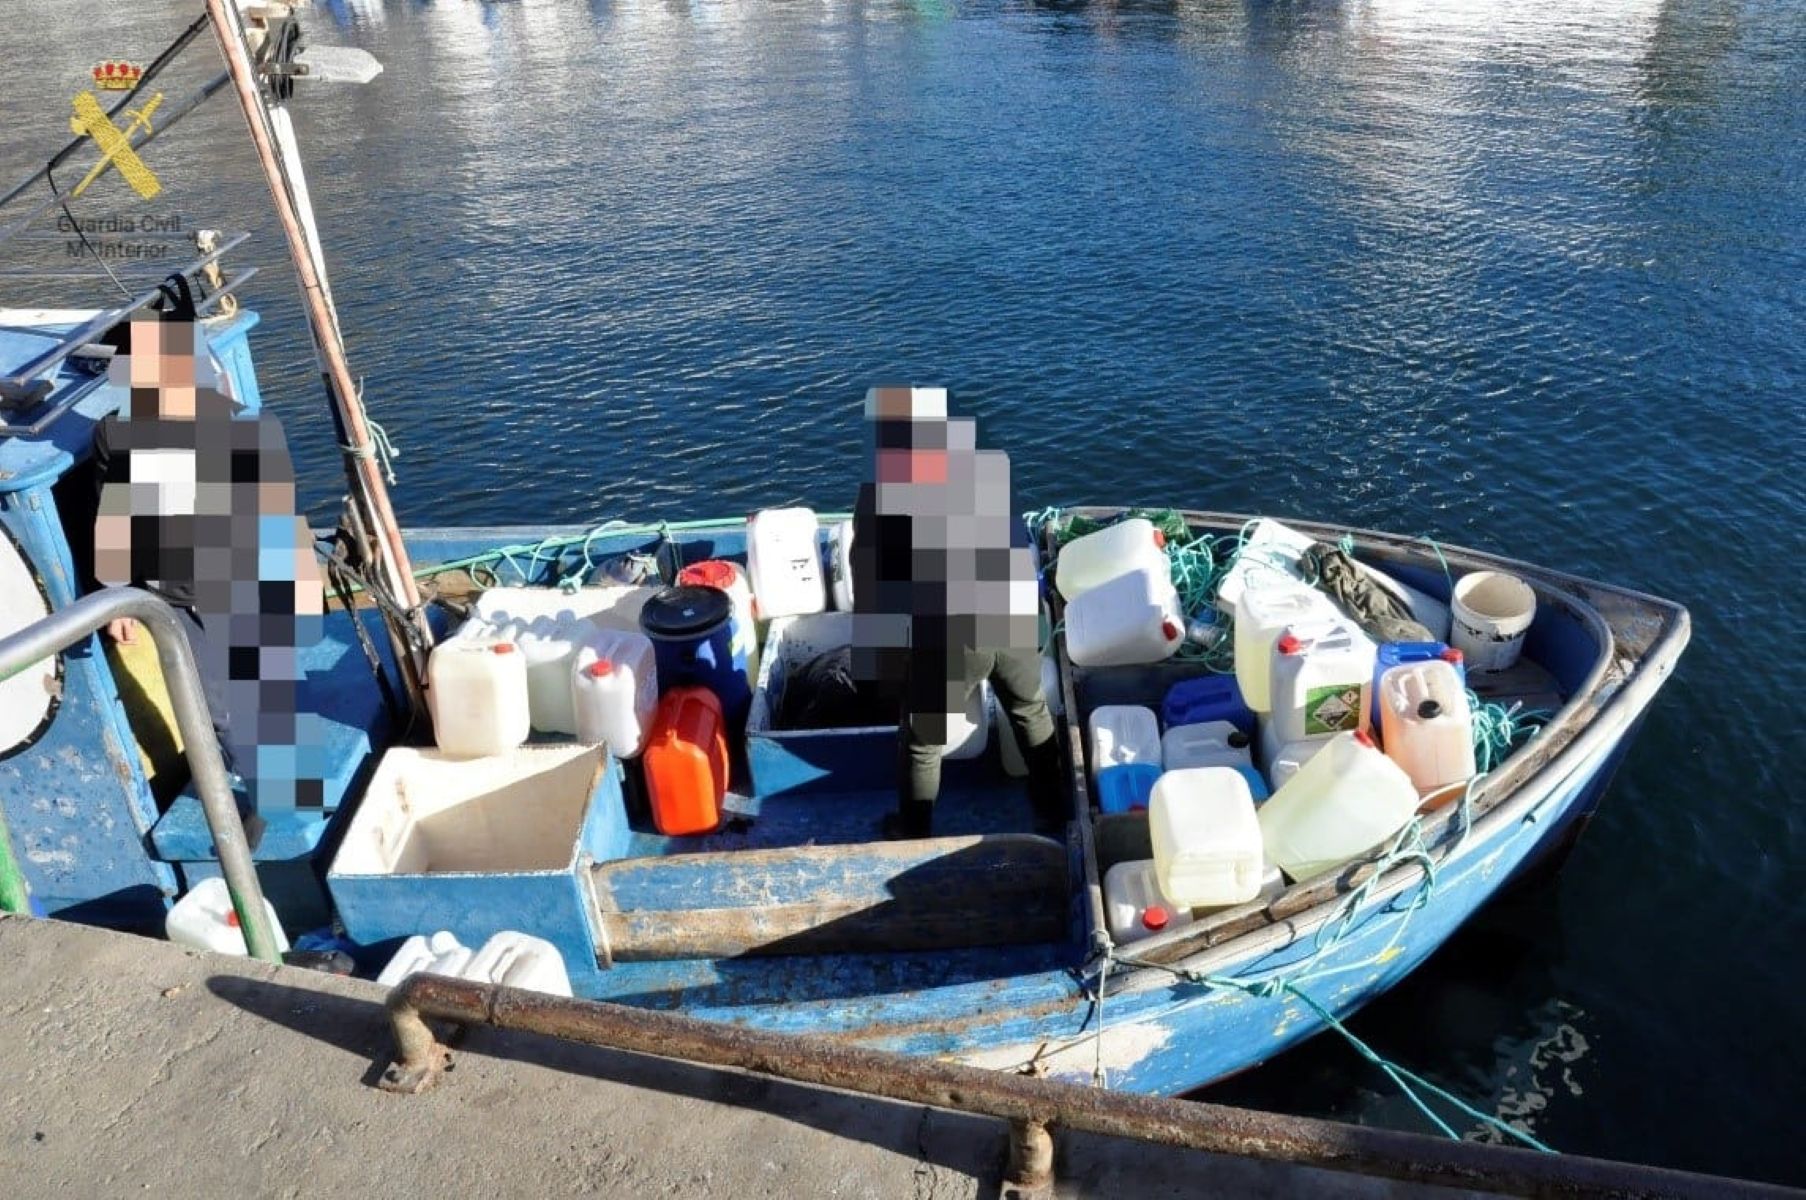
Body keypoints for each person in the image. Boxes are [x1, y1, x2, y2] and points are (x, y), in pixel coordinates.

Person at [83, 310, 324, 810]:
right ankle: (259, 791)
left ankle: (282, 796)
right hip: (168, 592)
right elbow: (114, 515)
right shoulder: (114, 435)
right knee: (218, 707)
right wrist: (119, 597)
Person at [850, 386, 1065, 839]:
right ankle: (1056, 808)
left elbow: (871, 585)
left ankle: (912, 832)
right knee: (1029, 709)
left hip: (952, 630)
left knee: (922, 742)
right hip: (1012, 608)